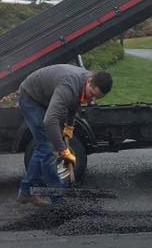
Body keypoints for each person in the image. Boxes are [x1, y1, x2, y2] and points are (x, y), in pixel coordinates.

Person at [16, 64, 112, 206]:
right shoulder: (68, 86)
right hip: (31, 99)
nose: (92, 100)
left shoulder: (85, 83)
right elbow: (50, 120)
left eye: (96, 98)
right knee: (48, 148)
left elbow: (75, 102)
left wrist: (69, 125)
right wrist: (63, 150)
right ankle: (58, 201)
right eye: (92, 94)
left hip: (45, 97)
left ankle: (25, 193)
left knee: (43, 148)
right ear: (90, 81)